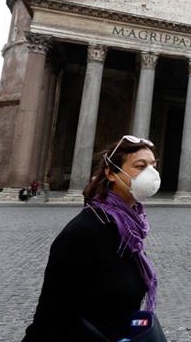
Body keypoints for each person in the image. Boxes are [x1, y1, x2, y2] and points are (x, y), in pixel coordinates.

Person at [22, 135, 161, 341]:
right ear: (111, 173)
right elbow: (51, 313)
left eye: (153, 165)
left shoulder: (130, 230)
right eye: (140, 166)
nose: (151, 173)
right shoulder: (85, 231)